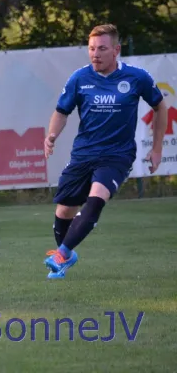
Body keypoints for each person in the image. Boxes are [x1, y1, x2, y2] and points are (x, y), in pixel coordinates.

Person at [43, 24, 168, 279]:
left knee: (96, 198)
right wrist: (52, 135)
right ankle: (67, 254)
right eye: (91, 48)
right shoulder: (79, 78)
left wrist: (157, 149)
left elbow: (160, 107)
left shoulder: (137, 77)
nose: (95, 54)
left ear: (116, 50)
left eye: (101, 48)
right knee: (64, 211)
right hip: (84, 154)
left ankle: (62, 253)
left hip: (117, 155)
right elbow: (61, 111)